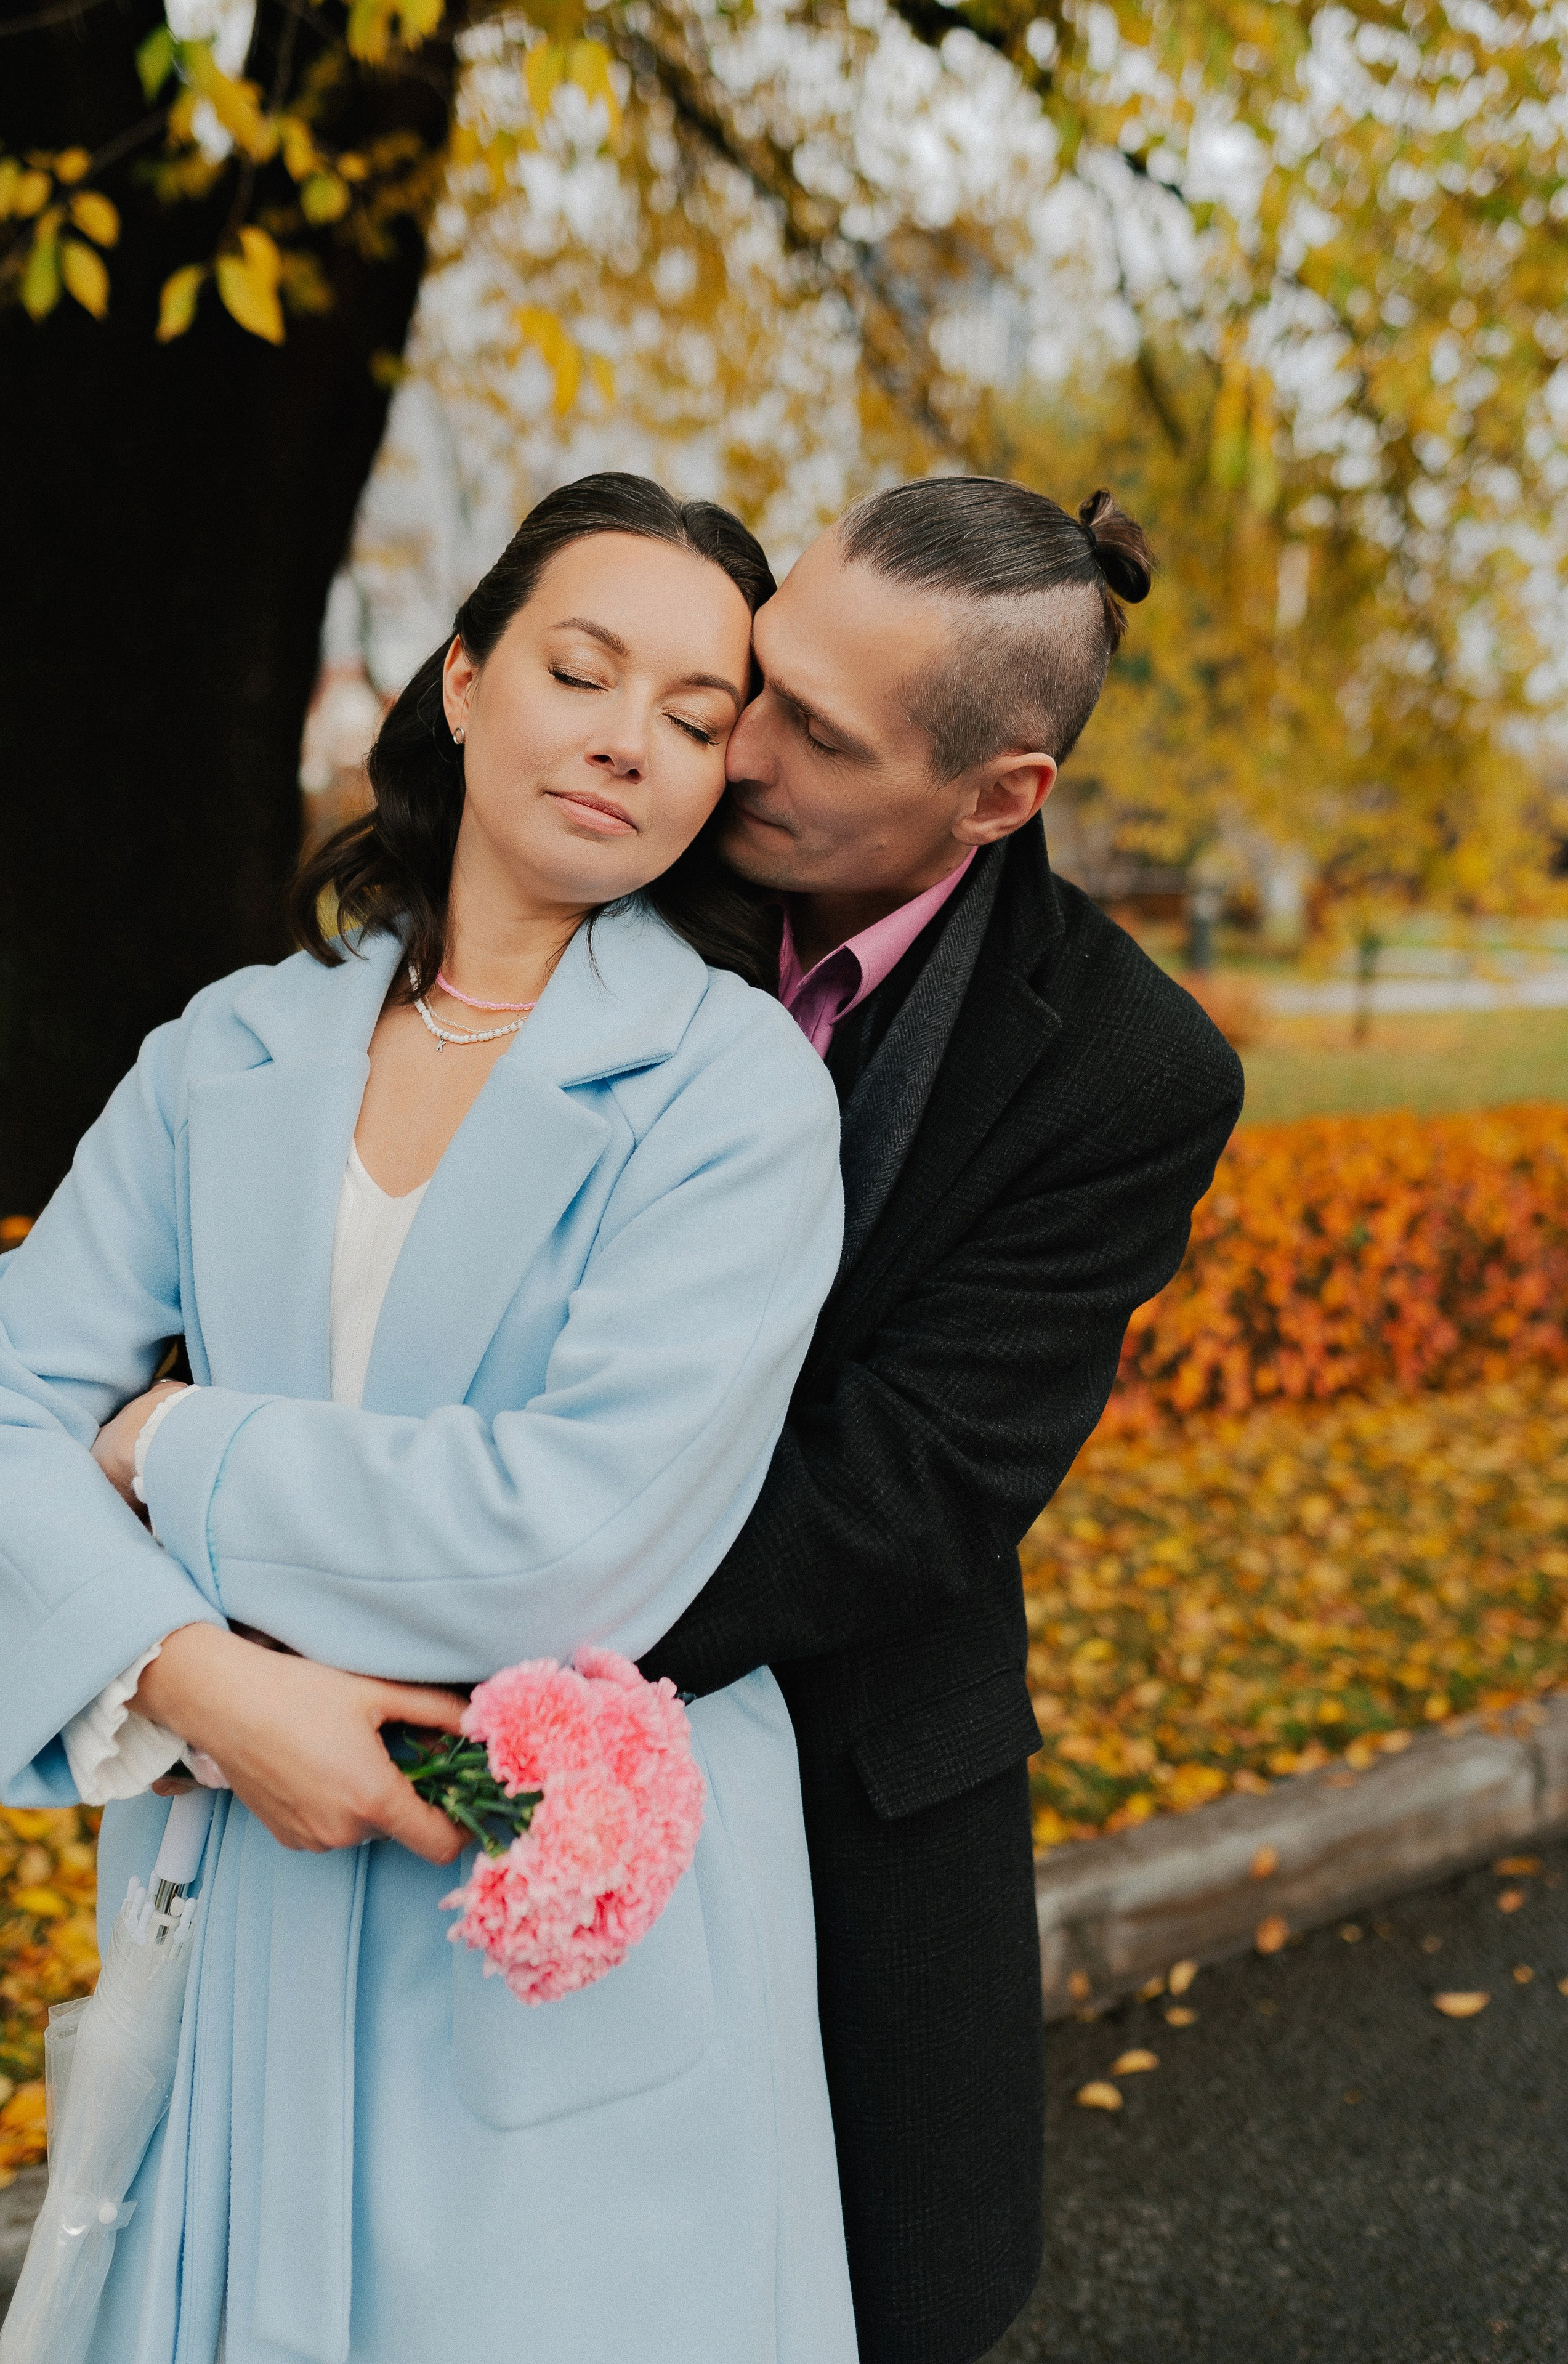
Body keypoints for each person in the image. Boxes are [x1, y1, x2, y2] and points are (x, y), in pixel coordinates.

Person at [0, 476, 859, 2362]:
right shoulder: (222, 1051)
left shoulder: (732, 1101)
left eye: (700, 720)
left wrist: (163, 1450)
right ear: (463, 681)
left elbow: (569, 1538)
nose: (631, 739)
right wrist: (202, 1684)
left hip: (545, 1917)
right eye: (580, 667)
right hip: (231, 1875)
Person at [637, 476, 1247, 2364]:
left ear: (1004, 796)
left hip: (863, 1783)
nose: (739, 750)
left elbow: (911, 1490)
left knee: (883, 2306)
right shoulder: (622, 868)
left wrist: (485, 1624)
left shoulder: (1137, 1072)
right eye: (763, 681)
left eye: (821, 734)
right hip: (487, 1782)